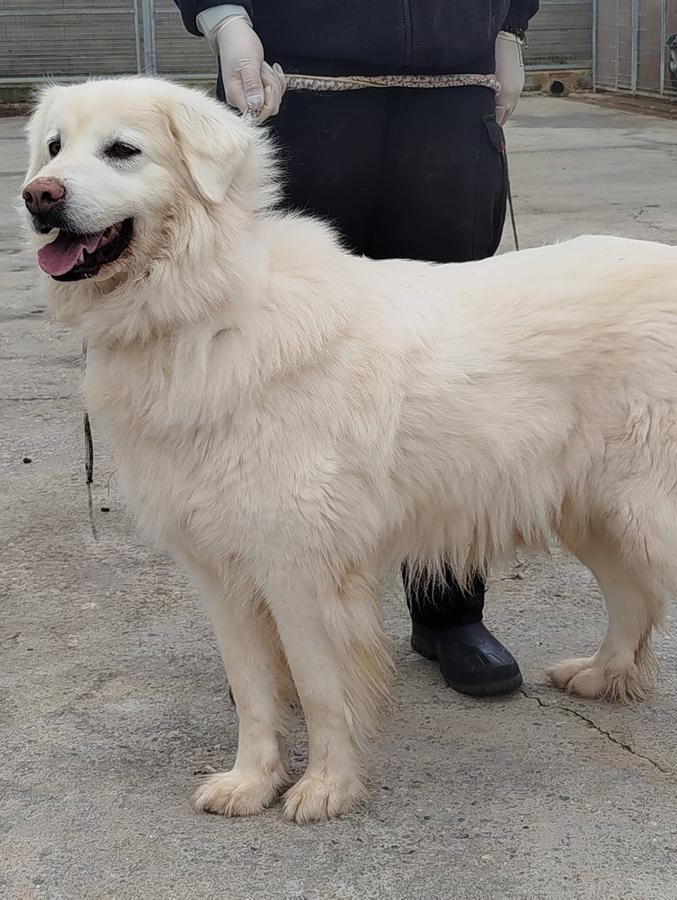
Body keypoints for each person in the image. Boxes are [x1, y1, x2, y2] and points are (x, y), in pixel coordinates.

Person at [174, 0, 540, 697]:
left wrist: (510, 27)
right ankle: (282, 627)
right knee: (280, 384)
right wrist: (225, 18)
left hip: (451, 102)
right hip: (298, 96)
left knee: (448, 374)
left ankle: (449, 609)